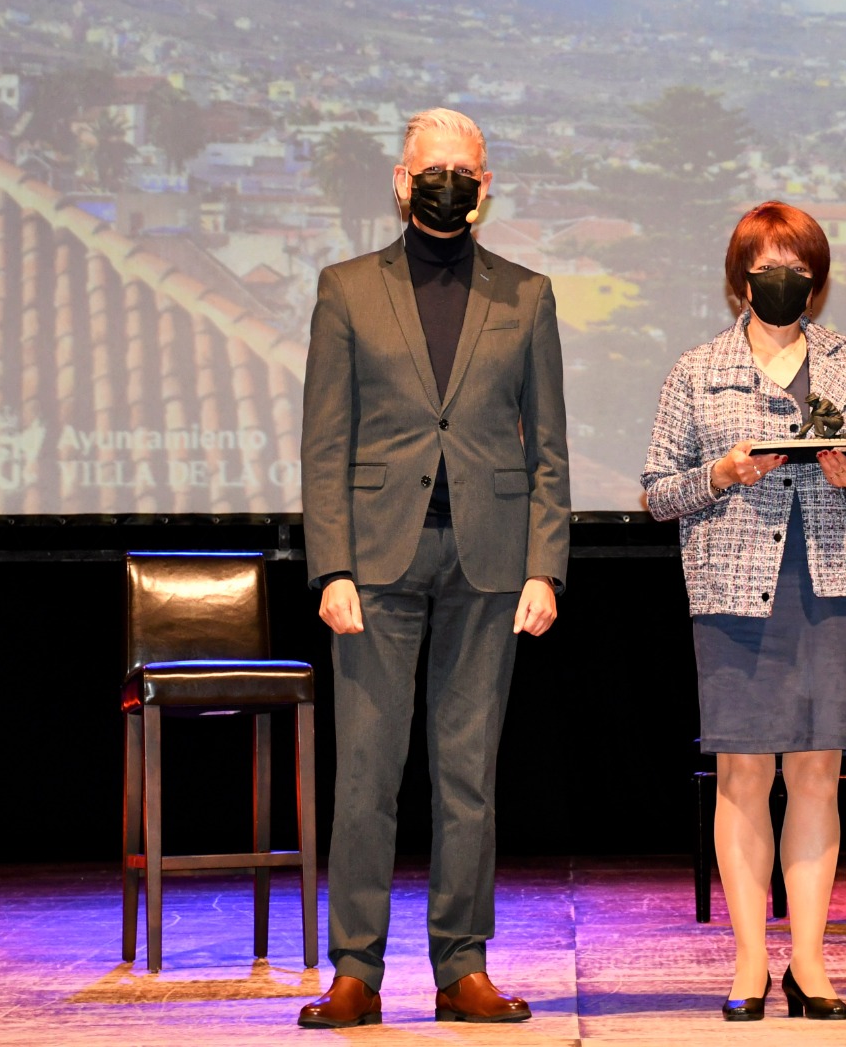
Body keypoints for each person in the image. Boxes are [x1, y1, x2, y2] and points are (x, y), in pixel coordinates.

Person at [298, 108, 570, 1028]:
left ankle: (461, 966)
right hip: (375, 561)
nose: (449, 181)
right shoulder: (345, 288)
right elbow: (324, 442)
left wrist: (547, 567)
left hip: (492, 565)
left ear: (486, 187)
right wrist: (328, 565)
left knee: (468, 775)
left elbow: (550, 452)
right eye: (433, 167)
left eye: (466, 169)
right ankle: (356, 971)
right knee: (367, 773)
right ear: (401, 180)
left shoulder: (527, 295)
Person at [641, 201, 846, 1022]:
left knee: (817, 772)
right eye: (765, 264)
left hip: (825, 585)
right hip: (731, 589)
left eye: (795, 264)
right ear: (740, 276)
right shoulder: (697, 367)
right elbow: (656, 493)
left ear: (816, 279)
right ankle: (751, 960)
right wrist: (721, 472)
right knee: (744, 772)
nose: (780, 278)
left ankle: (812, 964)